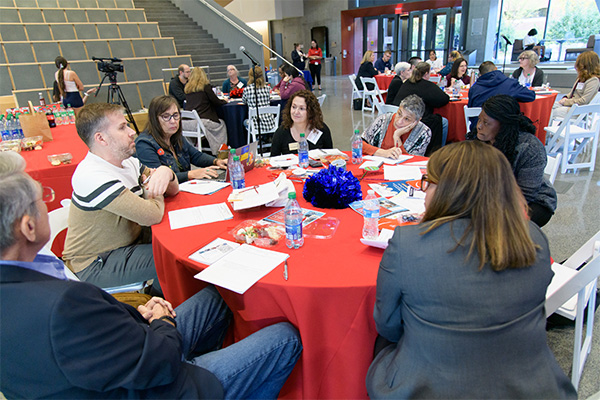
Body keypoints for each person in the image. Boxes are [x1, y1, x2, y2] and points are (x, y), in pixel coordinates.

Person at [0, 153, 303, 399]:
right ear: (27, 226)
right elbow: (161, 363)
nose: (45, 202)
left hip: (127, 353)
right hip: (160, 383)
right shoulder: (63, 305)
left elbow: (101, 341)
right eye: (42, 199)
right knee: (286, 337)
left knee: (219, 292)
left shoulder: (28, 287)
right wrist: (161, 321)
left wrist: (142, 316)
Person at [365, 140, 576, 399]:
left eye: (428, 183)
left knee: (380, 344)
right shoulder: (532, 237)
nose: (425, 191)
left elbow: (388, 326)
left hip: (429, 387)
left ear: (446, 191)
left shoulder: (407, 244)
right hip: (532, 386)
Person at [62, 103, 179, 294]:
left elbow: (172, 190)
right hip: (95, 263)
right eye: (122, 127)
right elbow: (152, 215)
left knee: (175, 241)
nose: (132, 131)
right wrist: (155, 189)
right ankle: (158, 310)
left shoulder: (129, 162)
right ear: (101, 138)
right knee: (170, 256)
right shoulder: (92, 175)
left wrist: (166, 172)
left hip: (128, 244)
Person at [467, 95, 557, 227]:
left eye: (486, 123)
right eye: (479, 120)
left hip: (533, 202)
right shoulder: (481, 139)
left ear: (503, 125)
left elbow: (525, 195)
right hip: (493, 195)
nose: (479, 126)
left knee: (491, 225)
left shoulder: (529, 147)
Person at [136, 95, 227, 183]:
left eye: (176, 115)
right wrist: (190, 174)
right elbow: (158, 178)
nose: (173, 121)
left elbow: (195, 156)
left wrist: (216, 161)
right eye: (166, 116)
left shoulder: (174, 136)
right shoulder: (144, 144)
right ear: (155, 119)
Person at [392, 62, 449, 150]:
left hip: (397, 114)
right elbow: (444, 99)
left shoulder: (407, 82)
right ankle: (439, 150)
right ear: (426, 74)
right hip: (413, 119)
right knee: (444, 122)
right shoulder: (427, 85)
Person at [362, 94, 431, 158]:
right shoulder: (383, 120)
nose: (399, 121)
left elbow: (412, 162)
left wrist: (397, 136)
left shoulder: (424, 133)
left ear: (417, 121)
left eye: (407, 119)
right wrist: (383, 153)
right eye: (399, 114)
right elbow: (358, 144)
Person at [271, 90, 333, 156]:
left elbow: (330, 158)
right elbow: (272, 160)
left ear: (311, 111)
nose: (296, 112)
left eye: (302, 108)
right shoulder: (282, 132)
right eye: (294, 107)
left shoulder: (321, 129)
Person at [184, 67, 228, 155]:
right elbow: (216, 101)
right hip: (201, 122)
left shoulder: (187, 89)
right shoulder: (205, 87)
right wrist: (225, 101)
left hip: (186, 123)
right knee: (222, 124)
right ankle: (220, 150)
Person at [551, 51, 600, 120]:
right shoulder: (581, 78)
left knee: (553, 112)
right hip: (571, 105)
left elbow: (584, 101)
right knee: (549, 106)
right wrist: (565, 98)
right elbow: (572, 93)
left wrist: (566, 102)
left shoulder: (593, 81)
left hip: (579, 110)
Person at [468, 61, 535, 108]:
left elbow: (470, 108)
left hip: (479, 126)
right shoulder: (511, 84)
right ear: (496, 69)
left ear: (480, 74)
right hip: (504, 126)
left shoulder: (474, 89)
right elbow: (531, 96)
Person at [242, 66, 277, 134]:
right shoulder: (267, 88)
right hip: (270, 122)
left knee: (244, 122)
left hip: (255, 124)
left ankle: (257, 139)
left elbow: (244, 101)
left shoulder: (247, 89)